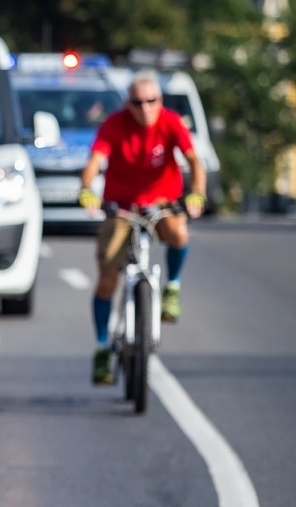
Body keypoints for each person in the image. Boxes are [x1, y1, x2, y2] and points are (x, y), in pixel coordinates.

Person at [78, 72, 206, 381]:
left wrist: (196, 195)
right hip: (121, 206)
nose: (146, 108)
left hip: (162, 201)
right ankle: (101, 348)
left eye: (152, 101)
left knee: (178, 232)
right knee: (108, 274)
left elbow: (194, 162)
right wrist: (87, 190)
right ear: (128, 103)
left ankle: (172, 286)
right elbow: (94, 162)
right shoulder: (114, 125)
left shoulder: (171, 122)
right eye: (138, 102)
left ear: (160, 101)